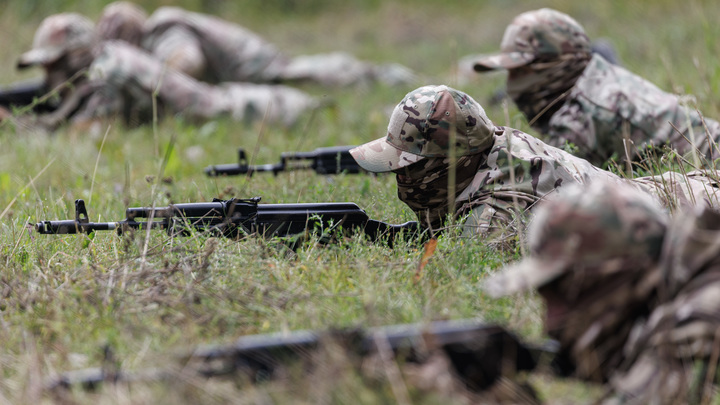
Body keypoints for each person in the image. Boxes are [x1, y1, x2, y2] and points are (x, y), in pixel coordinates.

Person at [349, 84, 720, 237]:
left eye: (412, 167)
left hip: (694, 211)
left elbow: (464, 262)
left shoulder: (497, 213)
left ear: (451, 163)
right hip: (679, 189)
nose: (403, 180)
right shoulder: (489, 144)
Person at [484, 180, 719, 404]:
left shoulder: (700, 316)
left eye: (563, 294)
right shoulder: (684, 282)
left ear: (613, 277)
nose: (549, 324)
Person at [471, 8, 720, 166]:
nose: (512, 84)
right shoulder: (597, 75)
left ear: (556, 64)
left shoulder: (581, 117)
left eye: (522, 70)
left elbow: (548, 186)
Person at [9, 12, 319, 133]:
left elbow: (85, 137)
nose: (50, 77)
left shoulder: (108, 73)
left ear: (75, 57)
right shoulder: (108, 60)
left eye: (53, 65)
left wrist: (14, 125)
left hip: (260, 111)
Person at [96, 2, 416, 88]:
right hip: (246, 67)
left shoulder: (161, 29)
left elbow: (188, 62)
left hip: (252, 66)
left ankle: (386, 76)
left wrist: (156, 78)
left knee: (313, 76)